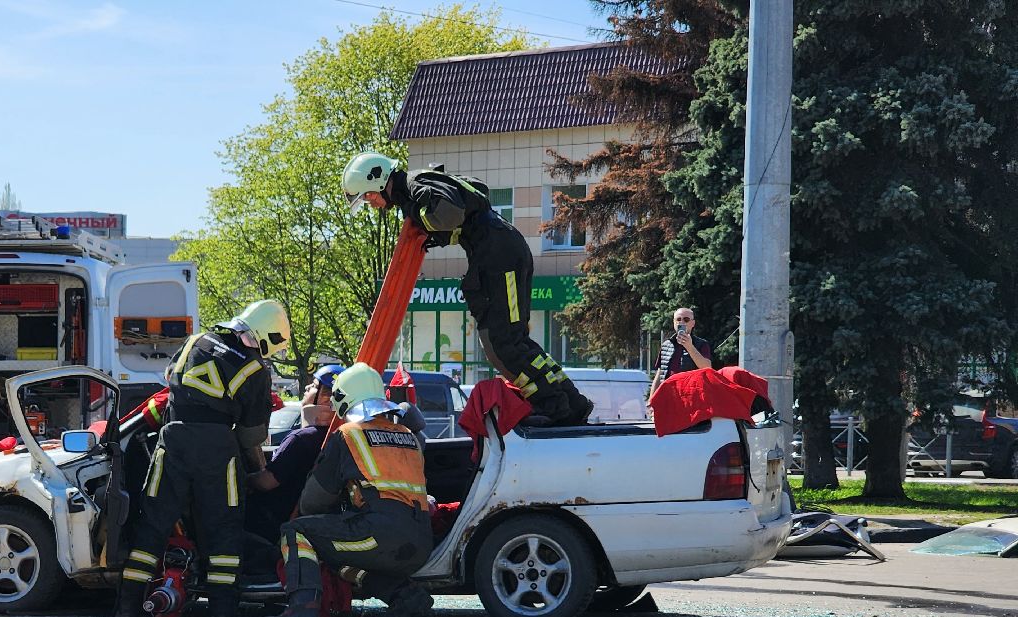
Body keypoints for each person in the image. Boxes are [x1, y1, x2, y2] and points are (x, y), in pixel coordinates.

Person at [343, 151, 592, 427]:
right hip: (501, 252)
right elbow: (468, 204)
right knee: (512, 340)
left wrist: (416, 216)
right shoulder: (421, 183)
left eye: (367, 196)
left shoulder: (416, 186)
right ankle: (572, 402)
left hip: (498, 257)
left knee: (503, 342)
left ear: (377, 180)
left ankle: (554, 406)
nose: (371, 203)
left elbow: (448, 213)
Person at [118, 300, 287, 617]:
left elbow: (170, 380)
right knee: (223, 529)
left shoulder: (197, 341)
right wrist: (252, 464)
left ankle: (128, 607)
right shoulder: (254, 368)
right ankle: (223, 609)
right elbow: (252, 434)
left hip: (173, 441)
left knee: (153, 523)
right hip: (218, 449)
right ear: (267, 337)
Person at [262, 365, 434, 617]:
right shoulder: (408, 435)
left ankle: (302, 610)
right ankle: (405, 596)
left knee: (296, 531)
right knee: (340, 556)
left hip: (378, 535)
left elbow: (314, 501)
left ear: (344, 398)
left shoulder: (348, 434)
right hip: (421, 541)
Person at [245, 363, 345, 545]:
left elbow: (267, 482)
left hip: (272, 522)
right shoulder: (340, 439)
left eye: (314, 385)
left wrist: (244, 480)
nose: (307, 387)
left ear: (326, 399)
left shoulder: (302, 439)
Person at [649, 307, 719, 399]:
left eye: (686, 320)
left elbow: (707, 367)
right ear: (674, 322)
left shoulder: (701, 344)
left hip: (690, 397)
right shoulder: (666, 344)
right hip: (667, 397)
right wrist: (651, 400)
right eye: (678, 319)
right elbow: (659, 375)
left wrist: (689, 347)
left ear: (693, 323)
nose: (681, 322)